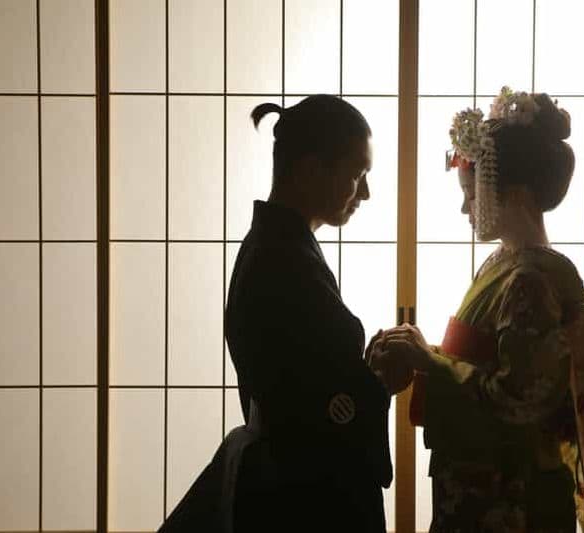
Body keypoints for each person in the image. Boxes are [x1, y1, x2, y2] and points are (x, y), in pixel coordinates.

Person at [370, 87, 584, 532]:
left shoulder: (530, 279)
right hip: (481, 484)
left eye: (473, 193)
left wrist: (429, 360)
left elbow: (518, 399)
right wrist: (422, 354)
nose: (466, 207)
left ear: (516, 193)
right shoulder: (506, 265)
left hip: (509, 496)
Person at [160, 95, 407, 533]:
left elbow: (307, 373)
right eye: (357, 174)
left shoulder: (279, 246)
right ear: (311, 169)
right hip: (300, 492)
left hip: (287, 474)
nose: (365, 193)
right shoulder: (282, 258)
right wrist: (380, 382)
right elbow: (313, 403)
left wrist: (364, 372)